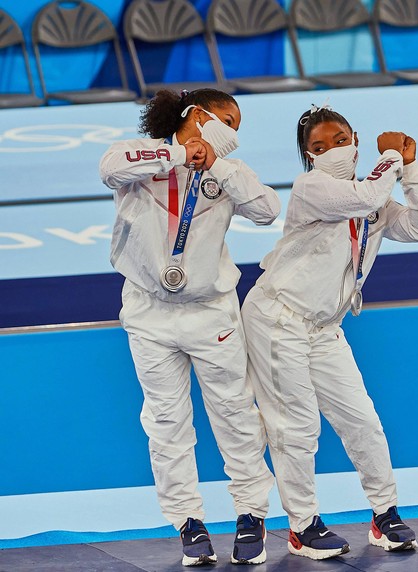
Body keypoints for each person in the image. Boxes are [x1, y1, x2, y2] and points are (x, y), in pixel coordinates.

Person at [241, 104, 418, 560]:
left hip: (324, 328)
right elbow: (366, 199)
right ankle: (303, 525)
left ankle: (385, 514)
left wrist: (412, 167)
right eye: (318, 146)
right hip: (278, 318)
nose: (332, 150)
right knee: (297, 427)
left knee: (362, 421)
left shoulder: (376, 198)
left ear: (355, 139)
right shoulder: (312, 187)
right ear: (308, 157)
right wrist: (391, 157)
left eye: (339, 140)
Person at [99, 88, 280, 566]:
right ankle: (188, 521)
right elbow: (109, 167)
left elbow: (266, 210)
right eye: (225, 119)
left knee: (235, 415)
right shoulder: (142, 160)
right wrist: (180, 153)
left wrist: (215, 165)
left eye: (237, 126)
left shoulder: (228, 172)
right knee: (166, 421)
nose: (232, 131)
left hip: (211, 312)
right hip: (148, 313)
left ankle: (251, 514)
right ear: (195, 115)